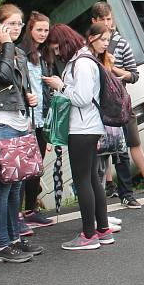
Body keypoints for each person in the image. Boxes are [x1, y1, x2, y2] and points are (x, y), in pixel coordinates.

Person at [0, 4, 43, 262]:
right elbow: (3, 76)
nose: (16, 29)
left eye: (19, 24)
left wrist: (29, 98)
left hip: (18, 122)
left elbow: (17, 86)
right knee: (1, 186)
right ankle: (2, 245)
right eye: (11, 24)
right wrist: (5, 45)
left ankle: (15, 238)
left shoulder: (19, 53)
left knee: (16, 186)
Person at [91, 2, 144, 207]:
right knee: (105, 147)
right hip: (98, 105)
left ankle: (142, 181)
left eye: (110, 19)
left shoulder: (121, 44)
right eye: (103, 20)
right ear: (94, 22)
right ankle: (109, 186)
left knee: (129, 142)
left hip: (119, 102)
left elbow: (133, 75)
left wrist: (114, 68)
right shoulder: (89, 47)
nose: (108, 24)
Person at [45, 24, 116, 250]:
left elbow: (82, 98)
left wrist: (60, 86)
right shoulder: (84, 60)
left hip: (82, 128)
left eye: (57, 48)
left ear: (65, 43)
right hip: (89, 127)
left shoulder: (82, 63)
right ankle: (102, 229)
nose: (56, 53)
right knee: (92, 179)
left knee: (83, 180)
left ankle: (88, 235)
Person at [19, 12, 55, 229]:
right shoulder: (20, 53)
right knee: (22, 169)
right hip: (25, 120)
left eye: (45, 30)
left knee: (36, 168)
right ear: (30, 30)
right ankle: (17, 215)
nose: (42, 34)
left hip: (41, 119)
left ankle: (31, 209)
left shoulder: (44, 55)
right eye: (38, 29)